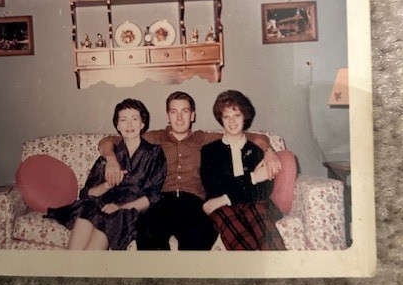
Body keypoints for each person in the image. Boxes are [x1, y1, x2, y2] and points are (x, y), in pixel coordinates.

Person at [99, 91, 281, 250]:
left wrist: (269, 151)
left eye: (185, 111)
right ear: (167, 116)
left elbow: (254, 136)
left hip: (194, 203)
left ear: (192, 115)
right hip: (161, 202)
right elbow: (108, 141)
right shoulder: (154, 137)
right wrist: (111, 159)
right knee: (147, 232)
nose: (179, 118)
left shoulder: (204, 138)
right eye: (174, 112)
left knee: (199, 236)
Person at [66, 99, 166, 251]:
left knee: (93, 247)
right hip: (102, 204)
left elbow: (153, 196)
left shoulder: (154, 153)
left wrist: (119, 207)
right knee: (87, 209)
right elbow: (87, 193)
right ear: (118, 126)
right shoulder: (110, 155)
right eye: (123, 120)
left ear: (142, 124)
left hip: (127, 210)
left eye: (134, 119)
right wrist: (107, 185)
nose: (129, 125)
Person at [200, 90, 286, 250]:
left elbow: (263, 190)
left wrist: (226, 198)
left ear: (245, 117)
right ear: (221, 119)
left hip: (252, 203)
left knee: (257, 207)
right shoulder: (209, 151)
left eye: (236, 115)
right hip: (222, 207)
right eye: (226, 116)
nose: (232, 121)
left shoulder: (257, 151)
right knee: (223, 213)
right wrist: (253, 177)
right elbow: (214, 186)